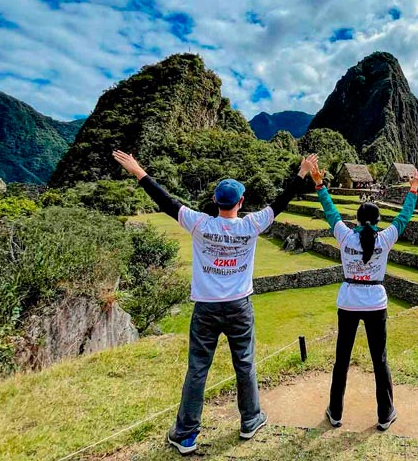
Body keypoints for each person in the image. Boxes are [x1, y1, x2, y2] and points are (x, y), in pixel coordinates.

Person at [113, 150, 318, 455]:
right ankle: (250, 420)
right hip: (239, 306)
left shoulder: (199, 224)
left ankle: (185, 434)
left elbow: (166, 201)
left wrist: (139, 171)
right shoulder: (250, 225)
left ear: (215, 201)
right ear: (240, 203)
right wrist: (301, 173)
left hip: (206, 307)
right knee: (245, 363)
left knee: (198, 369)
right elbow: (281, 201)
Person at [311, 162, 418, 432]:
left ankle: (335, 412)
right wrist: (414, 189)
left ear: (358, 220)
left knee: (342, 359)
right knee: (380, 359)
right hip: (375, 301)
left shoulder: (345, 236)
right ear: (377, 221)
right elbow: (404, 217)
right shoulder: (384, 239)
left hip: (348, 301)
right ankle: (385, 414)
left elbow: (331, 212)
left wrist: (319, 184)